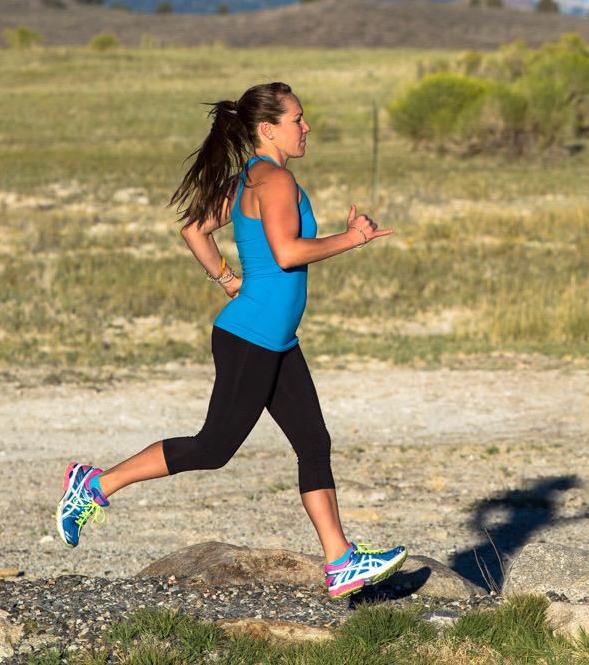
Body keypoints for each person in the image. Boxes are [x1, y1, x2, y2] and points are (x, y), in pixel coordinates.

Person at [54, 81, 405, 598]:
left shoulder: (252, 179)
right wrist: (352, 238)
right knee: (214, 446)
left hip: (274, 338)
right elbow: (286, 253)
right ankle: (94, 485)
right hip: (251, 338)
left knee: (313, 442)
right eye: (298, 120)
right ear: (269, 129)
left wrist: (226, 277)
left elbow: (194, 229)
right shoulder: (277, 180)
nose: (307, 127)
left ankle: (340, 562)